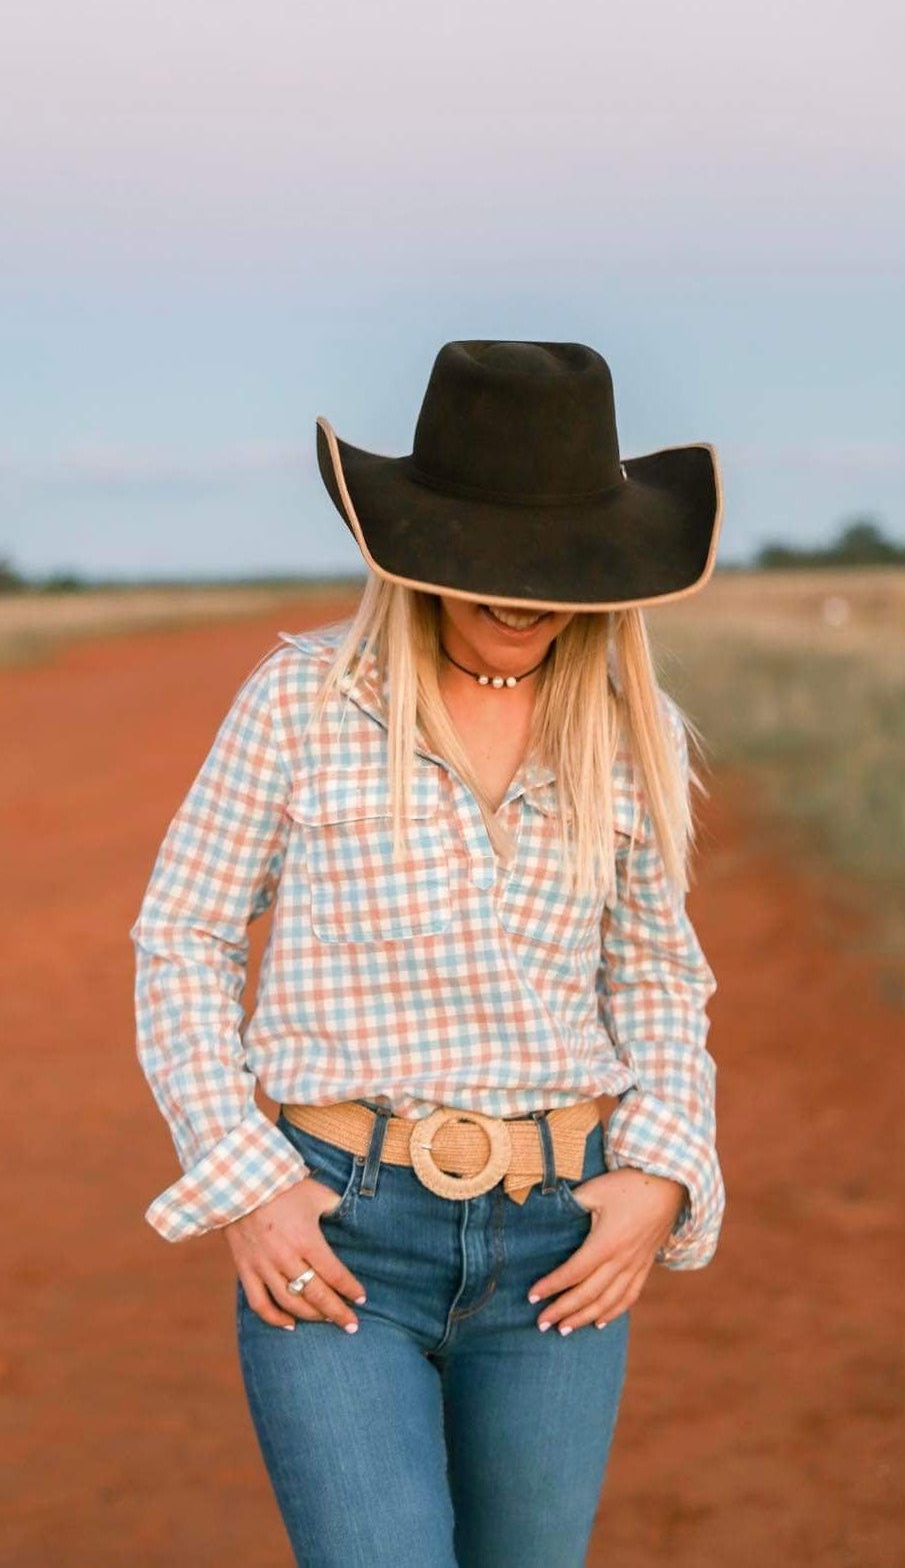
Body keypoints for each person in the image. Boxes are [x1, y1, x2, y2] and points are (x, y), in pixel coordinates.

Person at [130, 340, 726, 1568]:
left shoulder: (635, 731)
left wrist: (663, 1168)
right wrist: (245, 1176)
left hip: (561, 1245)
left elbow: (661, 976)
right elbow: (181, 935)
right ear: (420, 548)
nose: (522, 595)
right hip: (339, 1240)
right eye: (489, 560)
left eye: (552, 565)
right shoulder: (300, 702)